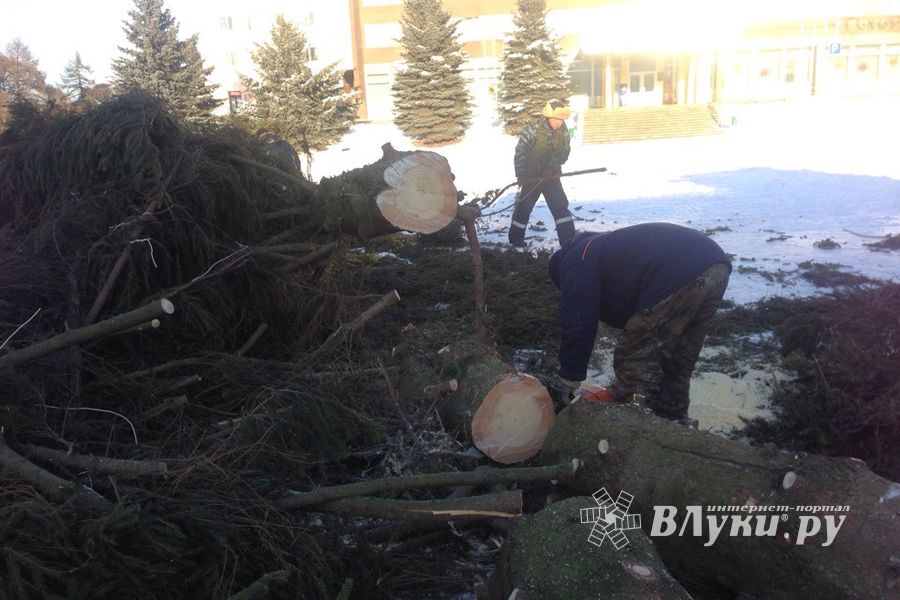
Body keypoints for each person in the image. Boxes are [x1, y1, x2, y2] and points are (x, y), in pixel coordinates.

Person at [548, 223, 732, 421]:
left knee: (634, 360)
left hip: (678, 271)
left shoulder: (577, 258)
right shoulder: (604, 248)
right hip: (716, 266)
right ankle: (675, 420)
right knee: (679, 360)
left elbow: (578, 320)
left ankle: (635, 423)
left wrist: (568, 380)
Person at [509, 101, 576, 248]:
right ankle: (515, 241)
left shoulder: (563, 132)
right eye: (557, 119)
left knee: (560, 207)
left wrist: (551, 168)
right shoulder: (534, 129)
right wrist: (521, 174)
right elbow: (521, 151)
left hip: (551, 178)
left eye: (562, 120)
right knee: (524, 208)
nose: (560, 123)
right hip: (531, 177)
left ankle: (569, 242)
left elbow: (564, 152)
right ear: (548, 117)